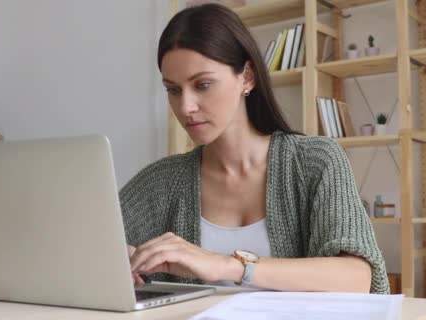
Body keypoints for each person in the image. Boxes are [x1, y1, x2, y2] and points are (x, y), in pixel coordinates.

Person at [120, 3, 389, 294]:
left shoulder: (315, 162)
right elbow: (81, 249)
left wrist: (228, 266)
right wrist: (116, 260)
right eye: (173, 90)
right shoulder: (161, 183)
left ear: (247, 77)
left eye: (203, 84)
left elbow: (357, 278)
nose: (185, 107)